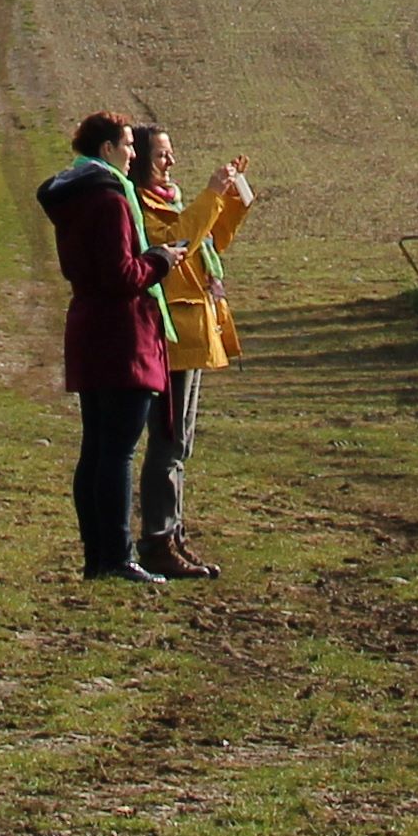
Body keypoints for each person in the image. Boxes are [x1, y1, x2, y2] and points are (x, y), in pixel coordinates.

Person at [38, 110, 183, 584]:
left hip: (88, 329)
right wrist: (161, 260)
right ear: (106, 150)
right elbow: (123, 275)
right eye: (127, 145)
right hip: (123, 336)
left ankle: (96, 554)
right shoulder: (111, 200)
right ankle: (117, 555)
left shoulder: (72, 196)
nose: (133, 153)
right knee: (117, 451)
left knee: (96, 448)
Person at [130, 121, 250, 581]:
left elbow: (209, 244)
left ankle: (172, 534)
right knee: (168, 441)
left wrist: (232, 200)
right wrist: (210, 196)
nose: (170, 162)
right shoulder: (141, 206)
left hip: (194, 335)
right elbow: (178, 241)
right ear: (139, 160)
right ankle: (158, 540)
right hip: (171, 339)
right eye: (162, 155)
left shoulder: (171, 200)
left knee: (182, 441)